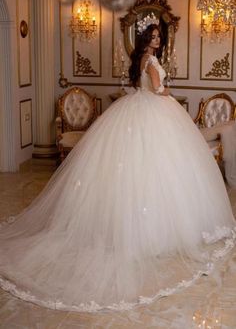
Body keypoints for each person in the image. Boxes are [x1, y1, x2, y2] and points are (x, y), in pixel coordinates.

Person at [0, 18, 235, 313]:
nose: (157, 39)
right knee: (158, 169)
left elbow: (143, 86)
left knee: (143, 169)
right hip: (154, 112)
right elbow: (159, 90)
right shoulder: (151, 60)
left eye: (159, 35)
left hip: (139, 109)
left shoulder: (140, 59)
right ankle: (154, 232)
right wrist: (167, 90)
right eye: (153, 35)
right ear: (145, 40)